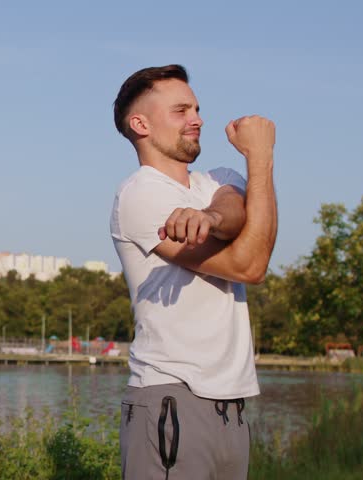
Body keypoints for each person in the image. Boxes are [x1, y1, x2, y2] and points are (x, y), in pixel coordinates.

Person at [108, 64, 277, 479]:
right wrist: (260, 156)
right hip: (172, 398)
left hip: (231, 409)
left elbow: (237, 210)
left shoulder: (219, 180)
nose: (197, 119)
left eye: (197, 109)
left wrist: (212, 218)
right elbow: (249, 264)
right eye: (181, 110)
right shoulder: (140, 195)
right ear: (141, 124)